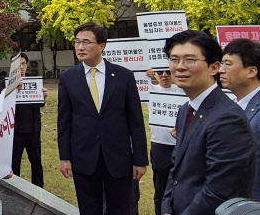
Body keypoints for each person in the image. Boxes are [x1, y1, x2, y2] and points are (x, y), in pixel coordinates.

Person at [57, 22, 148, 215]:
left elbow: (136, 121)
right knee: (89, 209)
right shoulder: (68, 78)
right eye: (77, 42)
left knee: (121, 208)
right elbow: (64, 122)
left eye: (86, 42)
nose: (80, 47)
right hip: (83, 158)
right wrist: (65, 157)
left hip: (118, 158)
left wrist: (140, 159)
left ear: (102, 46)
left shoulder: (124, 76)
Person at [161, 30, 256, 215]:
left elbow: (221, 189)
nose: (180, 67)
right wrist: (166, 208)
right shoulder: (185, 111)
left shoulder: (228, 118)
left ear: (214, 68)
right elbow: (176, 171)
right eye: (174, 59)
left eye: (190, 60)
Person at [0, 53, 48, 187]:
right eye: (18, 65)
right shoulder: (5, 83)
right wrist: (11, 90)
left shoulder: (34, 81)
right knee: (14, 163)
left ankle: (39, 191)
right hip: (14, 131)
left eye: (24, 64)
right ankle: (14, 190)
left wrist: (43, 97)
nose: (22, 67)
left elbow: (39, 104)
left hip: (33, 129)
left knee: (36, 162)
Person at [218, 38, 260, 201]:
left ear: (251, 71)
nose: (221, 70)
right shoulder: (228, 106)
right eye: (222, 63)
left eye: (228, 64)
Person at [145, 68, 179, 215]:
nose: (164, 76)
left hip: (180, 145)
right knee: (161, 187)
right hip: (160, 145)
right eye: (160, 72)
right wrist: (146, 76)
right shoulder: (150, 90)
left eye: (168, 72)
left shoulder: (182, 91)